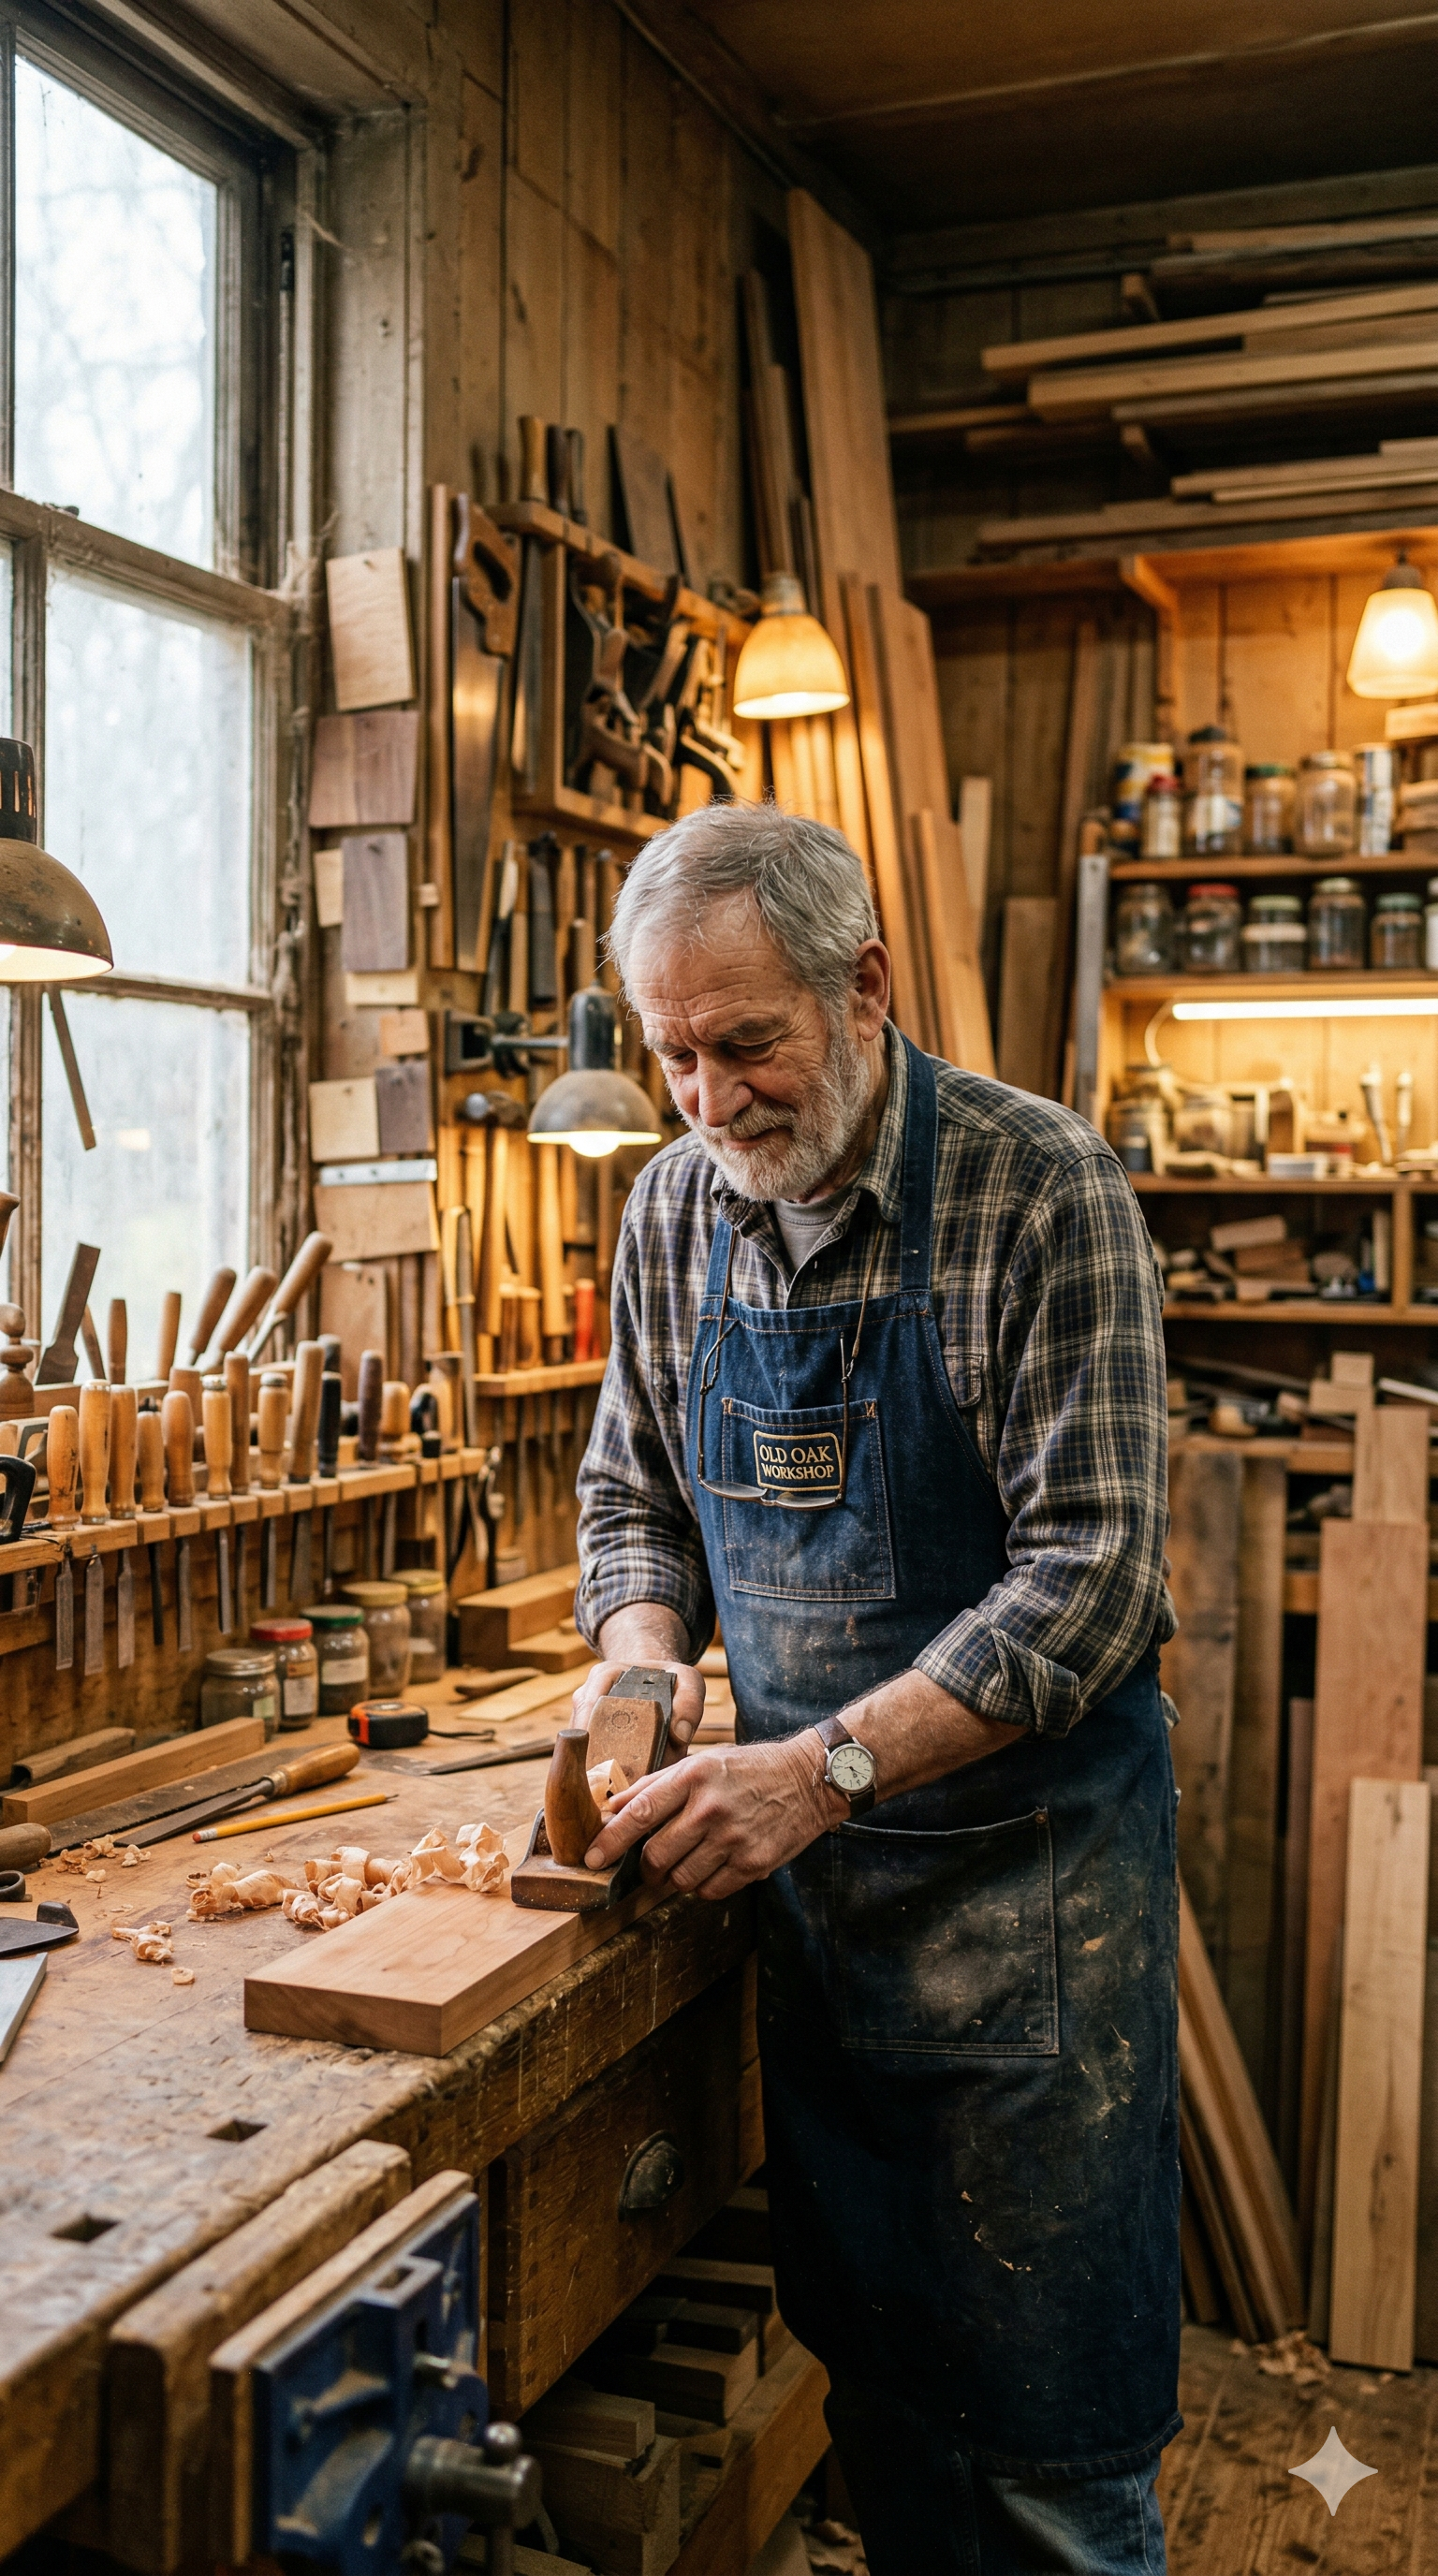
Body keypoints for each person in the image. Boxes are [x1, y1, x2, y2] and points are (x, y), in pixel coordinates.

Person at [571, 799, 1180, 2576]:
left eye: (745, 1044)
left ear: (865, 986)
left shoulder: (1038, 1186)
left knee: (1046, 2469)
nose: (709, 1101)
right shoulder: (678, 1211)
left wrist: (813, 1771)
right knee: (891, 2419)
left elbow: (1094, 1585)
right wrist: (638, 1670)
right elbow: (632, 1501)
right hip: (823, 1933)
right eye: (673, 1054)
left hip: (1031, 1937)